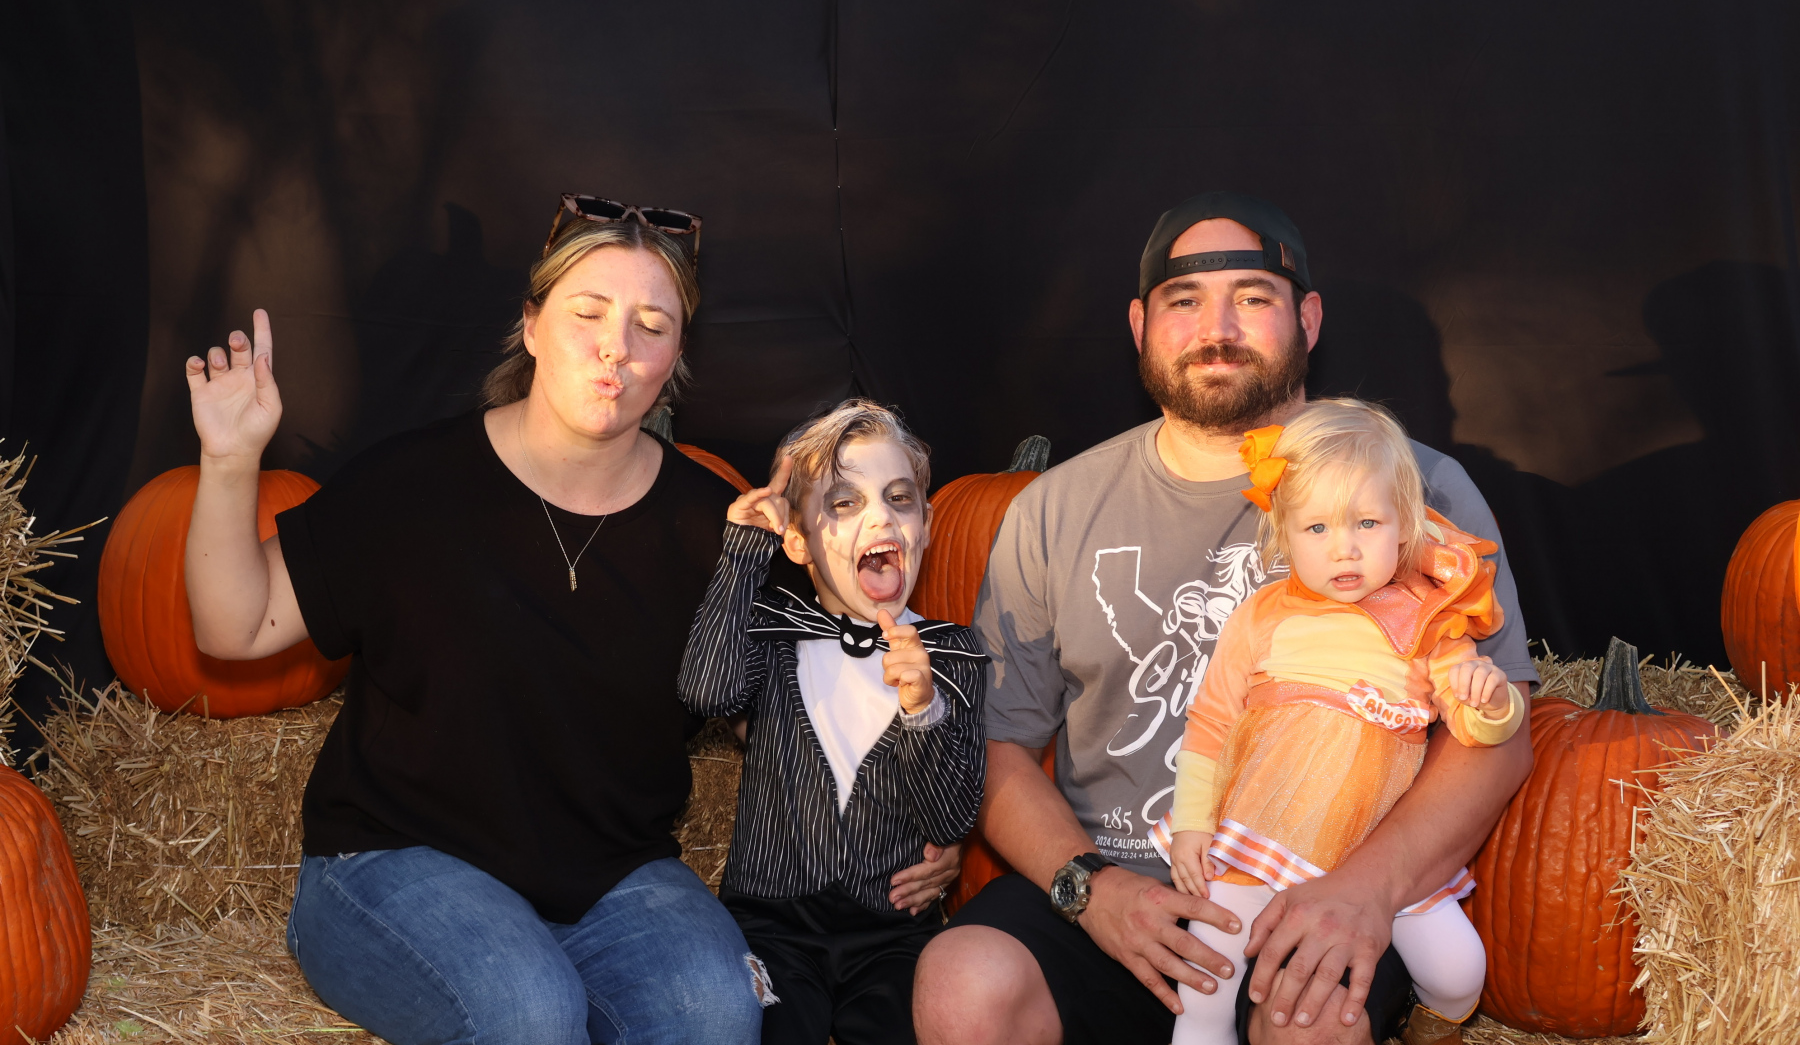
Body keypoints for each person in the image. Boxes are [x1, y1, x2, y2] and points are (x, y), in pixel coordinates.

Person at [180, 202, 957, 1045]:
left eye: (650, 326)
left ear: (675, 360)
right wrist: (229, 459)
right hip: (392, 860)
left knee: (717, 1014)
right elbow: (236, 627)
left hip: (610, 876)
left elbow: (793, 716)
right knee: (531, 1016)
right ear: (532, 325)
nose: (615, 346)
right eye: (588, 313)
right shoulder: (414, 484)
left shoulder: (718, 528)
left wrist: (916, 828)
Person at [913, 191, 1538, 1045]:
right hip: (1121, 887)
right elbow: (998, 747)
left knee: (1309, 1023)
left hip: (1317, 883)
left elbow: (1499, 734)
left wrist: (1367, 890)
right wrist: (1091, 892)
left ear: (1307, 319)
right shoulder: (1052, 510)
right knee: (963, 984)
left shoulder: (1409, 490)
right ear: (1140, 326)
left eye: (1252, 297)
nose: (1218, 328)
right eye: (1184, 301)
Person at [1163, 400, 1523, 1045]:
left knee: (1460, 971)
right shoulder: (1263, 616)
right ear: (1283, 532)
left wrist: (1491, 703)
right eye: (1317, 528)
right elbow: (1211, 721)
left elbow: (1476, 729)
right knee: (1207, 983)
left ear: (1404, 527)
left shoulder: (1429, 621)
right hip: (1266, 826)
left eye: (1367, 523)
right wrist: (1193, 822)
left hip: (1374, 845)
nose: (1345, 548)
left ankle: (1430, 1027)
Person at [680, 399, 987, 1045]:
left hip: (891, 933)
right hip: (772, 923)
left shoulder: (955, 655)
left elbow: (950, 819)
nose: (881, 516)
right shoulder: (774, 633)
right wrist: (743, 553)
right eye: (845, 503)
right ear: (798, 541)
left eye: (899, 499)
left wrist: (923, 710)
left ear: (926, 525)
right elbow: (707, 691)